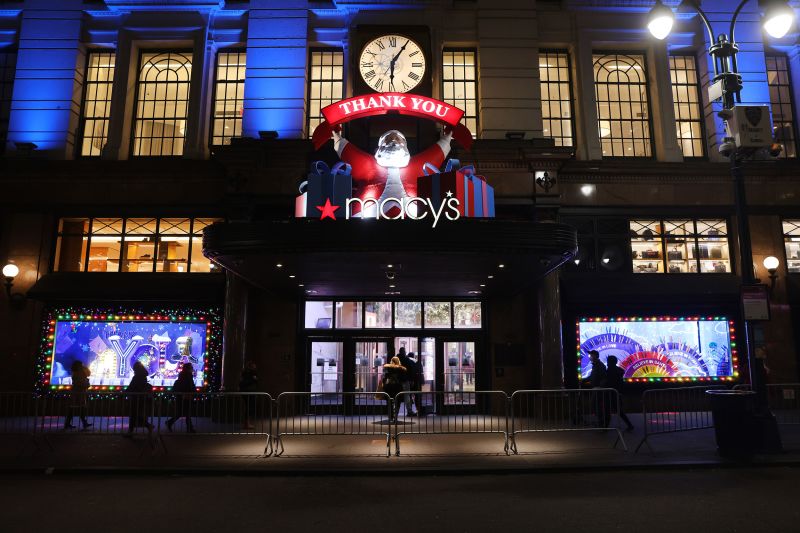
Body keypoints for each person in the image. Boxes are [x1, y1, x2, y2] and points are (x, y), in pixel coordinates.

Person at [606, 355, 634, 432]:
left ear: (610, 362)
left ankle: (605, 427)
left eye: (608, 361)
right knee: (619, 411)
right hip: (617, 392)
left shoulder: (610, 371)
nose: (607, 363)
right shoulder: (619, 370)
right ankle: (629, 425)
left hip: (612, 393)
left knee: (609, 410)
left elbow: (608, 382)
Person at [165, 363, 196, 433]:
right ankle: (189, 428)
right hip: (185, 396)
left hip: (181, 396)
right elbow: (189, 385)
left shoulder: (182, 375)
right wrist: (193, 391)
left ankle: (170, 422)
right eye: (191, 367)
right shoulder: (188, 375)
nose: (192, 368)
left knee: (182, 412)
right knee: (186, 412)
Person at [126, 361, 154, 435]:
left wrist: (125, 392)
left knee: (134, 415)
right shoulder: (144, 376)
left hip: (136, 398)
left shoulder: (137, 377)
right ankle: (147, 426)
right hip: (141, 398)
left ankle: (132, 431)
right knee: (136, 415)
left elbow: (131, 386)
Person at [585, 350, 611, 428]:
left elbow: (604, 377)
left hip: (598, 389)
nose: (590, 357)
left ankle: (602, 423)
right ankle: (601, 422)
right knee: (596, 406)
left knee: (596, 406)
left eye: (591, 355)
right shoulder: (595, 365)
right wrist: (584, 380)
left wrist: (599, 387)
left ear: (595, 356)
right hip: (596, 388)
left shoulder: (600, 365)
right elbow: (593, 376)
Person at [65, 360, 92, 430]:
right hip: (79, 394)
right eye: (82, 365)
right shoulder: (79, 374)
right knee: (80, 408)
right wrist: (87, 383)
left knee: (74, 409)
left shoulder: (75, 373)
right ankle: (83, 423)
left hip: (77, 393)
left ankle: (68, 424)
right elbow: (82, 383)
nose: (83, 366)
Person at [382, 356, 407, 421]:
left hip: (389, 387)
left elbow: (384, 378)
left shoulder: (388, 368)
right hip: (398, 387)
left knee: (389, 402)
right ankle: (395, 416)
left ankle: (390, 416)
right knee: (398, 402)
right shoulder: (401, 369)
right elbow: (403, 379)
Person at [396, 348, 418, 417]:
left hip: (397, 381)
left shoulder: (395, 359)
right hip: (405, 380)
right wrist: (411, 379)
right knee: (407, 396)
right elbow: (411, 370)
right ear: (404, 352)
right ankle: (409, 411)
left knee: (397, 396)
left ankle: (395, 412)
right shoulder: (406, 360)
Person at [239, 360, 259, 430]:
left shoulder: (244, 373)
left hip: (247, 391)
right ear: (251, 366)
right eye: (254, 366)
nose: (255, 367)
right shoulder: (250, 373)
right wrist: (254, 379)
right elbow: (253, 381)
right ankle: (247, 424)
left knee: (248, 407)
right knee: (249, 407)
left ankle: (247, 423)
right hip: (249, 391)